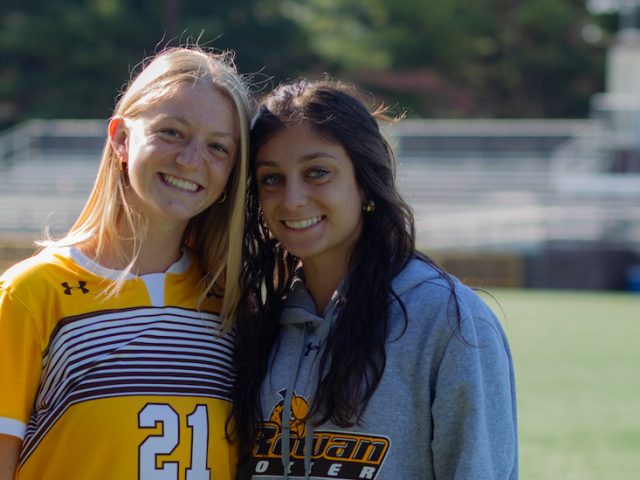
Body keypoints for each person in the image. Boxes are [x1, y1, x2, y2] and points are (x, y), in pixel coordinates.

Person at [231, 80, 518, 479]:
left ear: (364, 180)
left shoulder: (448, 322)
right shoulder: (260, 327)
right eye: (271, 179)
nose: (292, 199)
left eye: (317, 172)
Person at [0, 46, 252, 479]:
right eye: (172, 132)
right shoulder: (31, 293)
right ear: (120, 138)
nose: (192, 161)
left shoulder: (228, 303)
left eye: (218, 148)